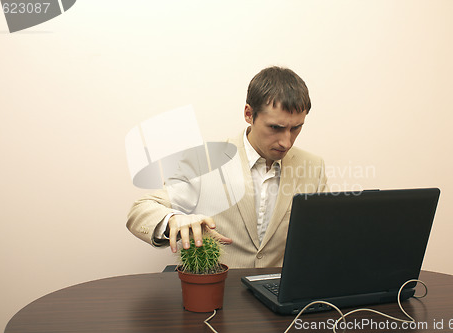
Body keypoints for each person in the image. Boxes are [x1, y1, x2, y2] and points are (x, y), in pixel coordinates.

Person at [127, 66, 328, 268]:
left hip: (281, 293)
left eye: (296, 128)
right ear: (249, 114)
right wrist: (173, 220)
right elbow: (140, 210)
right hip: (217, 291)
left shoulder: (313, 167)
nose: (286, 142)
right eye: (276, 128)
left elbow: (322, 236)